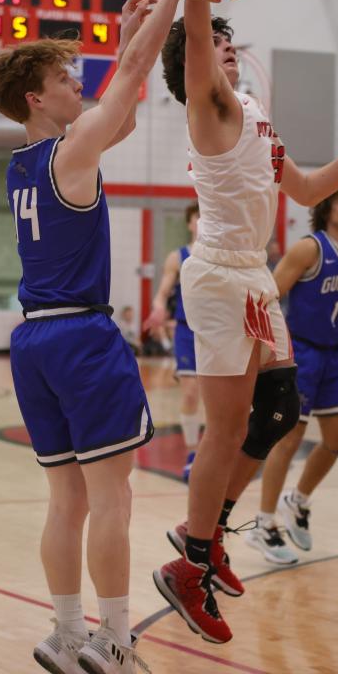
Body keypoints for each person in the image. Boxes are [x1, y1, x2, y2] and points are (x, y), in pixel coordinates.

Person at [0, 0, 237, 674]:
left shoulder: (24, 165)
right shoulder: (70, 153)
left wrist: (126, 42)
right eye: (66, 78)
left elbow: (116, 117)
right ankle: (116, 641)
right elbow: (124, 87)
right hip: (83, 339)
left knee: (65, 500)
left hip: (33, 340)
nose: (77, 84)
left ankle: (67, 633)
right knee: (111, 497)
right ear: (36, 96)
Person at [153, 0, 338, 645]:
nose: (225, 42)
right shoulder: (210, 105)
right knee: (225, 430)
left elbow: (311, 190)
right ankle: (189, 566)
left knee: (281, 411)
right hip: (222, 278)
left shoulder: (252, 114)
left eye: (230, 37)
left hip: (253, 279)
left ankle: (205, 533)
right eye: (214, 40)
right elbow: (195, 44)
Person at [249, 176, 338, 563]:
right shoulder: (309, 248)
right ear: (324, 207)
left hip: (334, 356)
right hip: (301, 351)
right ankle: (263, 524)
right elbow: (269, 296)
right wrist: (266, 353)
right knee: (288, 438)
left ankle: (297, 500)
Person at [144, 202, 202, 481]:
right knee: (191, 392)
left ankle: (213, 456)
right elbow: (162, 292)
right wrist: (158, 307)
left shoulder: (227, 255)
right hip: (187, 331)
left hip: (219, 332)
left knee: (218, 402)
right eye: (198, 217)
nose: (203, 222)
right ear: (190, 223)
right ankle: (193, 453)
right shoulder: (178, 257)